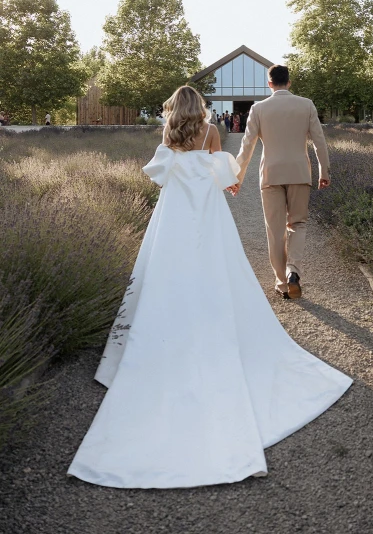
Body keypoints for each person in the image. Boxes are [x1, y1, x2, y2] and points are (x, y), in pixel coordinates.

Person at [67, 85, 351, 488]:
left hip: (175, 214)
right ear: (199, 107)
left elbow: (161, 178)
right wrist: (230, 184)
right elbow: (223, 172)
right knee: (218, 262)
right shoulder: (211, 130)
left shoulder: (169, 132)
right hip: (208, 210)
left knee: (165, 268)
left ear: (174, 108)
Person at [235, 65, 330, 300]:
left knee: (275, 231)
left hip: (270, 175)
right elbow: (319, 141)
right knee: (298, 223)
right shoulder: (306, 105)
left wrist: (236, 178)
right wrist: (323, 171)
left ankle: (282, 283)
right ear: (289, 82)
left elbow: (247, 146)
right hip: (299, 173)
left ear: (269, 84)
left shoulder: (258, 109)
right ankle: (293, 272)